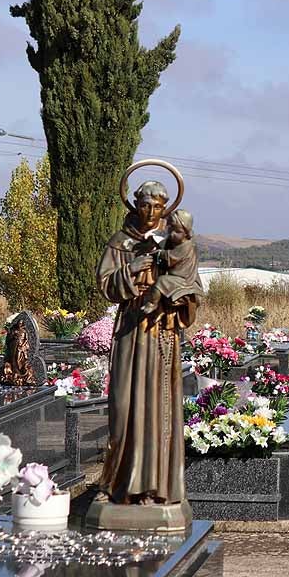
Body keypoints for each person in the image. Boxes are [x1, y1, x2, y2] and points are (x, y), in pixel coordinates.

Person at [96, 180, 198, 506]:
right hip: (130, 328)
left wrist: (173, 295)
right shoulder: (121, 242)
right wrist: (131, 269)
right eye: (144, 204)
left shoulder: (176, 242)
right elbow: (105, 283)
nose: (150, 212)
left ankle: (154, 487)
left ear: (165, 209)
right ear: (135, 204)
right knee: (123, 406)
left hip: (161, 331)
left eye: (157, 207)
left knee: (158, 407)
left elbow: (193, 285)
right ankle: (119, 484)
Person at [141, 209, 204, 316]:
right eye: (170, 229)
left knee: (161, 281)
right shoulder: (181, 242)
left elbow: (171, 257)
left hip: (183, 279)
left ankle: (152, 303)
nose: (171, 234)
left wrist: (159, 253)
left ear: (187, 232)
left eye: (177, 232)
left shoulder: (187, 245)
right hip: (179, 276)